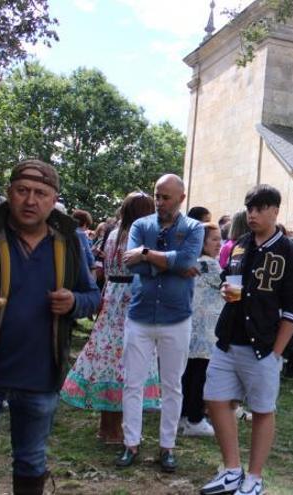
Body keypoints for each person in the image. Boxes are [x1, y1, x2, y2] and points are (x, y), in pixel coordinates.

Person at [0, 160, 100, 495]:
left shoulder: (69, 242)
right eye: (22, 191)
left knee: (31, 461)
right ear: (9, 193)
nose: (30, 200)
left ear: (53, 199)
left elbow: (93, 296)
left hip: (39, 374)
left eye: (40, 193)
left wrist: (74, 302)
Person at [200, 185, 293, 495]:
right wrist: (225, 289)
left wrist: (276, 352)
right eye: (249, 208)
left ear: (275, 211)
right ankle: (233, 470)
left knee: (262, 409)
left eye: (260, 208)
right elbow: (228, 280)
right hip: (228, 339)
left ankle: (255, 478)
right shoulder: (239, 245)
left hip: (263, 345)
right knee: (216, 399)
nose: (252, 214)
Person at [116, 174, 204, 473]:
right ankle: (131, 443)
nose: (160, 201)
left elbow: (186, 260)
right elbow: (132, 263)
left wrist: (146, 255)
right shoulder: (141, 226)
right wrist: (171, 264)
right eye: (157, 195)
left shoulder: (193, 227)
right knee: (133, 383)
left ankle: (167, 447)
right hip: (140, 315)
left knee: (172, 386)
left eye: (166, 197)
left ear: (181, 197)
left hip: (176, 316)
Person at [61, 192, 161, 445]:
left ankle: (107, 427)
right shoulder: (139, 236)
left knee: (109, 359)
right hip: (131, 297)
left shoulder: (113, 233)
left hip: (113, 296)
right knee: (127, 362)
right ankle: (117, 431)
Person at [179, 221, 224, 437]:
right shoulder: (210, 265)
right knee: (200, 376)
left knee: (188, 375)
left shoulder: (193, 262)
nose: (219, 244)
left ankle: (184, 416)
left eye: (220, 239)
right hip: (206, 332)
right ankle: (195, 418)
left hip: (191, 329)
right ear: (202, 242)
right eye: (214, 239)